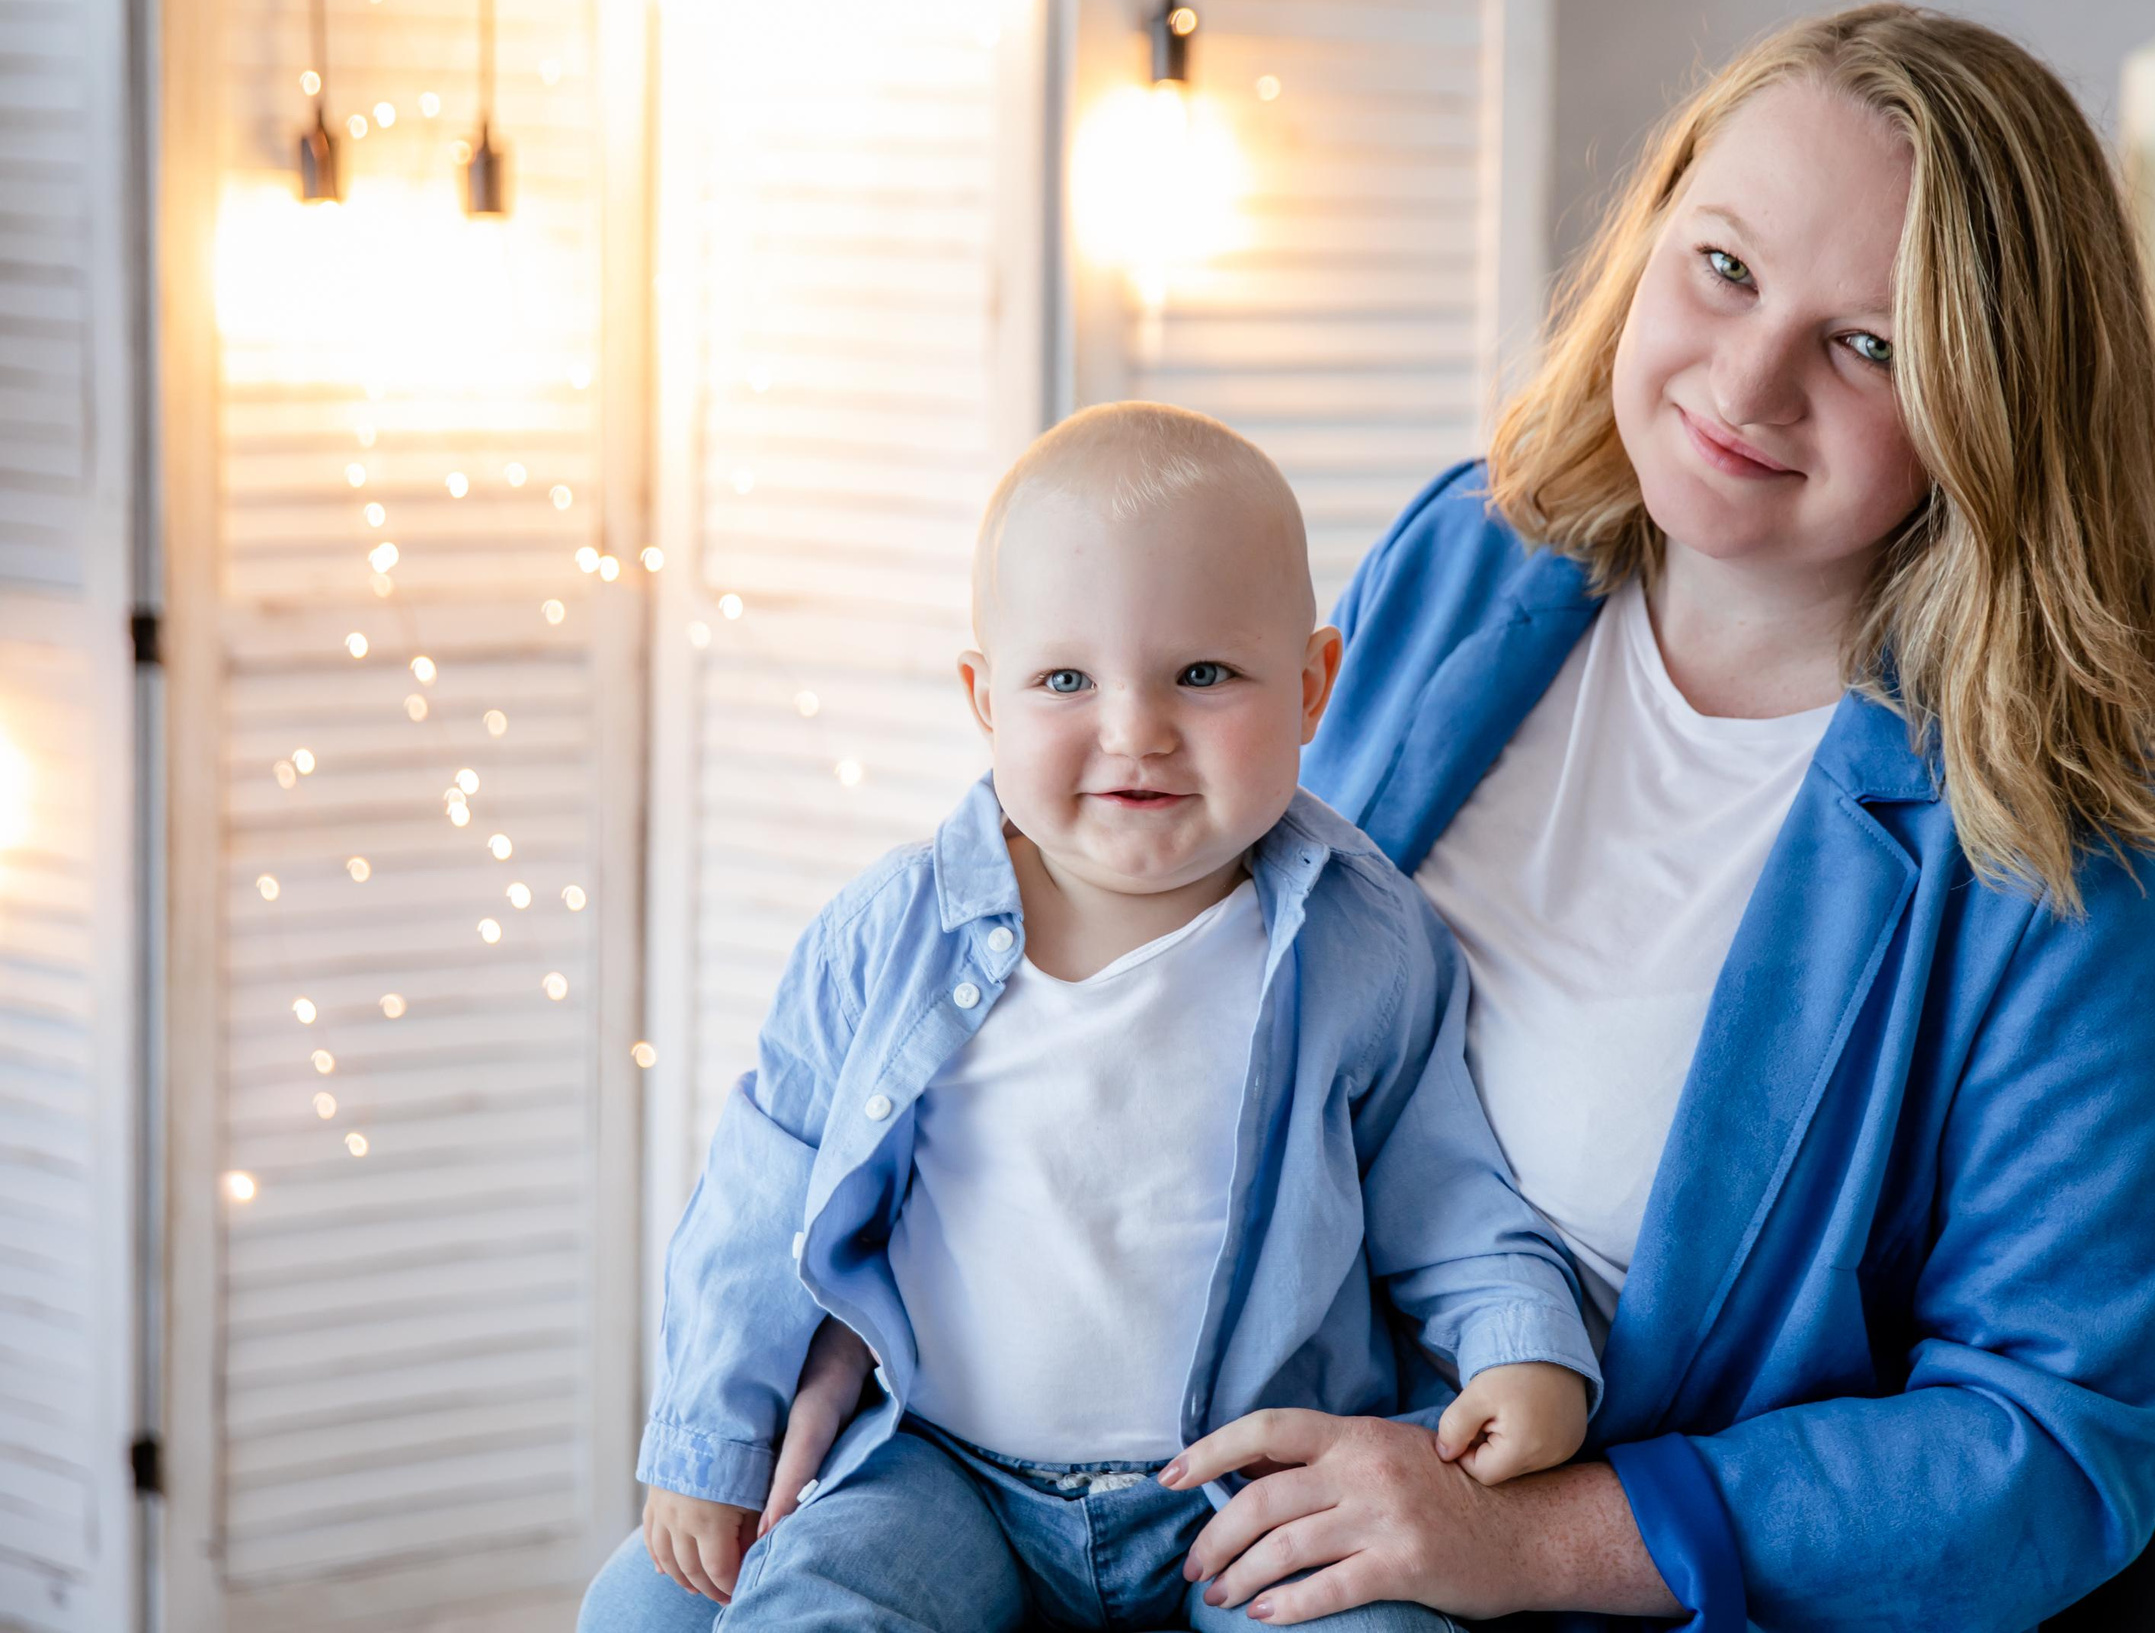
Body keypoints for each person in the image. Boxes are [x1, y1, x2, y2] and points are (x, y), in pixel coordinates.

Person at [1151, 4, 2155, 1631]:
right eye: (1725, 268)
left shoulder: (2065, 832)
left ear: (1988, 411)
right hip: (1180, 1424)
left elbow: (2053, 1444)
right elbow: (1150, 926)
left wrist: (1527, 1540)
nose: (1746, 381)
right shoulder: (1470, 550)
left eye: (1865, 345)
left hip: (1522, 1574)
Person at [576, 401, 1600, 1633]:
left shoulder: (1357, 942)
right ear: (984, 697)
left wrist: (1518, 1341)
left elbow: (1441, 1186)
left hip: (1250, 1486)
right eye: (1065, 678)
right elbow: (763, 1189)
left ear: (1314, 685)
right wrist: (709, 1434)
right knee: (820, 1599)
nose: (1136, 730)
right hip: (943, 1467)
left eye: (1204, 674)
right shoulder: (893, 936)